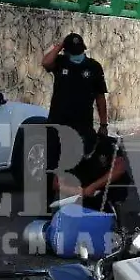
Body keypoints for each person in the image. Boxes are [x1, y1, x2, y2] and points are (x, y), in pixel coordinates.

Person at [40, 33, 109, 195]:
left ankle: (76, 200)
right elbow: (46, 62)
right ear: (66, 51)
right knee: (51, 165)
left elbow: (100, 97)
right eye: (73, 51)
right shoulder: (60, 62)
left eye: (79, 51)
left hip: (82, 126)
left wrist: (103, 124)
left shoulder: (94, 67)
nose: (77, 54)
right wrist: (59, 46)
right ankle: (47, 203)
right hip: (57, 123)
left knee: (78, 165)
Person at [53, 132, 131, 216]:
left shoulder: (109, 143)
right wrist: (79, 191)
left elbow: (119, 169)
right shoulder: (68, 151)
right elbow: (56, 184)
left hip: (107, 187)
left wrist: (93, 186)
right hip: (82, 191)